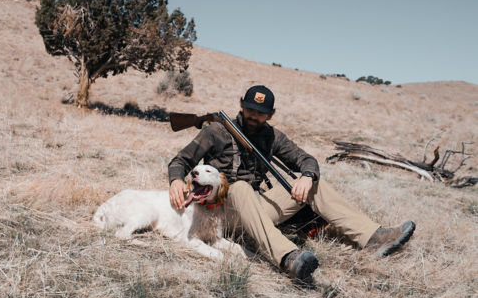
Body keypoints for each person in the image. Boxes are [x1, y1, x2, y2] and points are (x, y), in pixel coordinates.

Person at [168, 85, 416, 282]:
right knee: (240, 188)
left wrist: (307, 176)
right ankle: (288, 257)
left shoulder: (271, 136)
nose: (254, 116)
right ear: (241, 105)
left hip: (256, 208)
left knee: (314, 184)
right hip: (222, 213)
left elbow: (306, 160)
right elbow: (180, 160)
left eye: (261, 113)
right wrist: (176, 180)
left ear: (271, 115)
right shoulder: (216, 130)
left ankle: (373, 237)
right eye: (250, 109)